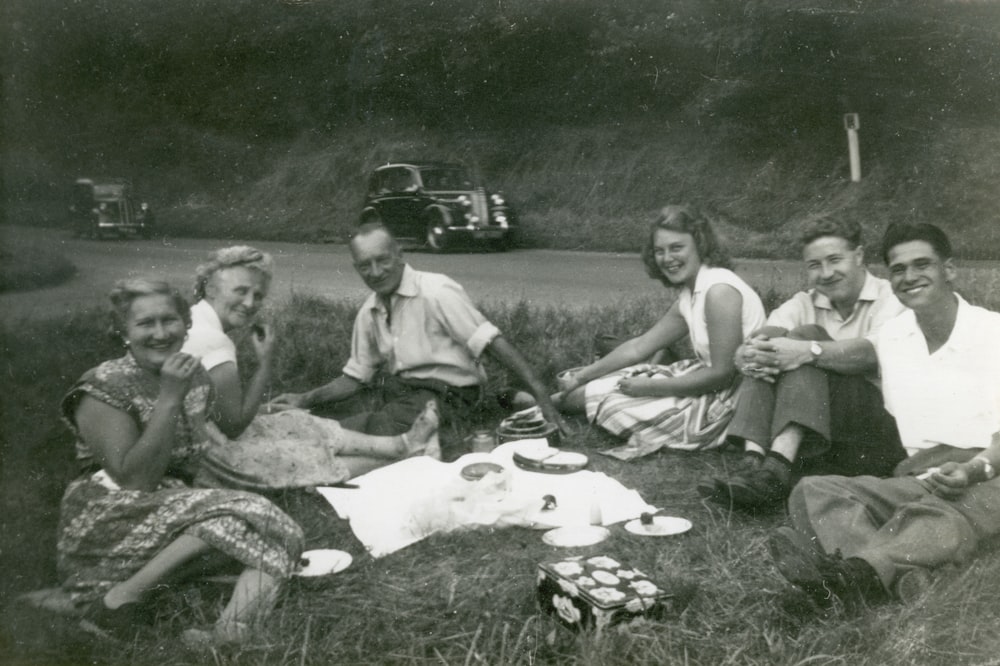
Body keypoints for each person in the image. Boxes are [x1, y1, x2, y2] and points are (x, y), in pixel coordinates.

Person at [57, 279, 304, 647]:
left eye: (169, 321)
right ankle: (118, 600)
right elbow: (134, 482)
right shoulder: (103, 386)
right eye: (145, 324)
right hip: (109, 511)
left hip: (169, 505)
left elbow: (232, 425)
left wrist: (264, 362)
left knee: (282, 533)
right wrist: (170, 397)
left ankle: (229, 630)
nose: (160, 333)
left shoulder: (196, 375)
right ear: (122, 331)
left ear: (186, 325)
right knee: (258, 515)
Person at [765, 223, 1000, 609]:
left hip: (988, 471)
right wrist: (792, 349)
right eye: (898, 269)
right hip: (920, 474)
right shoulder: (892, 338)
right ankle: (888, 575)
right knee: (814, 490)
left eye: (922, 264)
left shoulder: (992, 332)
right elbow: (846, 356)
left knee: (938, 513)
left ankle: (857, 574)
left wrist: (973, 470)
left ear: (949, 270)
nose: (910, 277)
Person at [270, 223, 567, 449]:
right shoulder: (369, 312)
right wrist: (305, 398)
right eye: (365, 265)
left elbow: (491, 342)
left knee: (368, 429)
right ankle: (500, 402)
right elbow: (354, 378)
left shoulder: (436, 292)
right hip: (403, 394)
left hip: (448, 396)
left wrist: (543, 396)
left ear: (400, 255)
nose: (375, 272)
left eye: (382, 260)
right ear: (356, 268)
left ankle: (307, 441)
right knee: (337, 409)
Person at [181, 246, 440, 488]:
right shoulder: (214, 341)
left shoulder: (194, 320)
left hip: (196, 441)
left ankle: (400, 444)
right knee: (295, 456)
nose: (250, 303)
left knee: (292, 421)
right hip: (205, 459)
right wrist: (265, 364)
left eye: (258, 295)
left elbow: (212, 410)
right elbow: (233, 426)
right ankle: (406, 457)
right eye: (240, 291)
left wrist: (266, 410)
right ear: (211, 289)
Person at [699, 217, 907, 509]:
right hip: (825, 433)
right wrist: (749, 353)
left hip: (878, 432)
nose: (826, 273)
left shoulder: (890, 298)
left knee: (806, 338)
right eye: (814, 265)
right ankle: (753, 463)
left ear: (859, 256)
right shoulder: (806, 301)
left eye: (835, 260)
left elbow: (874, 353)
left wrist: (808, 350)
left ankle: (777, 466)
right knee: (773, 346)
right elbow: (761, 339)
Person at [553, 205, 767, 460]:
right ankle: (544, 403)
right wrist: (582, 376)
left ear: (700, 245)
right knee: (612, 382)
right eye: (659, 251)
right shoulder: (692, 292)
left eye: (677, 248)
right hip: (709, 382)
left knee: (616, 399)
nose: (667, 258)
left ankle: (537, 405)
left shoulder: (719, 290)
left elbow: (722, 374)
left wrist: (651, 388)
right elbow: (640, 346)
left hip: (730, 403)